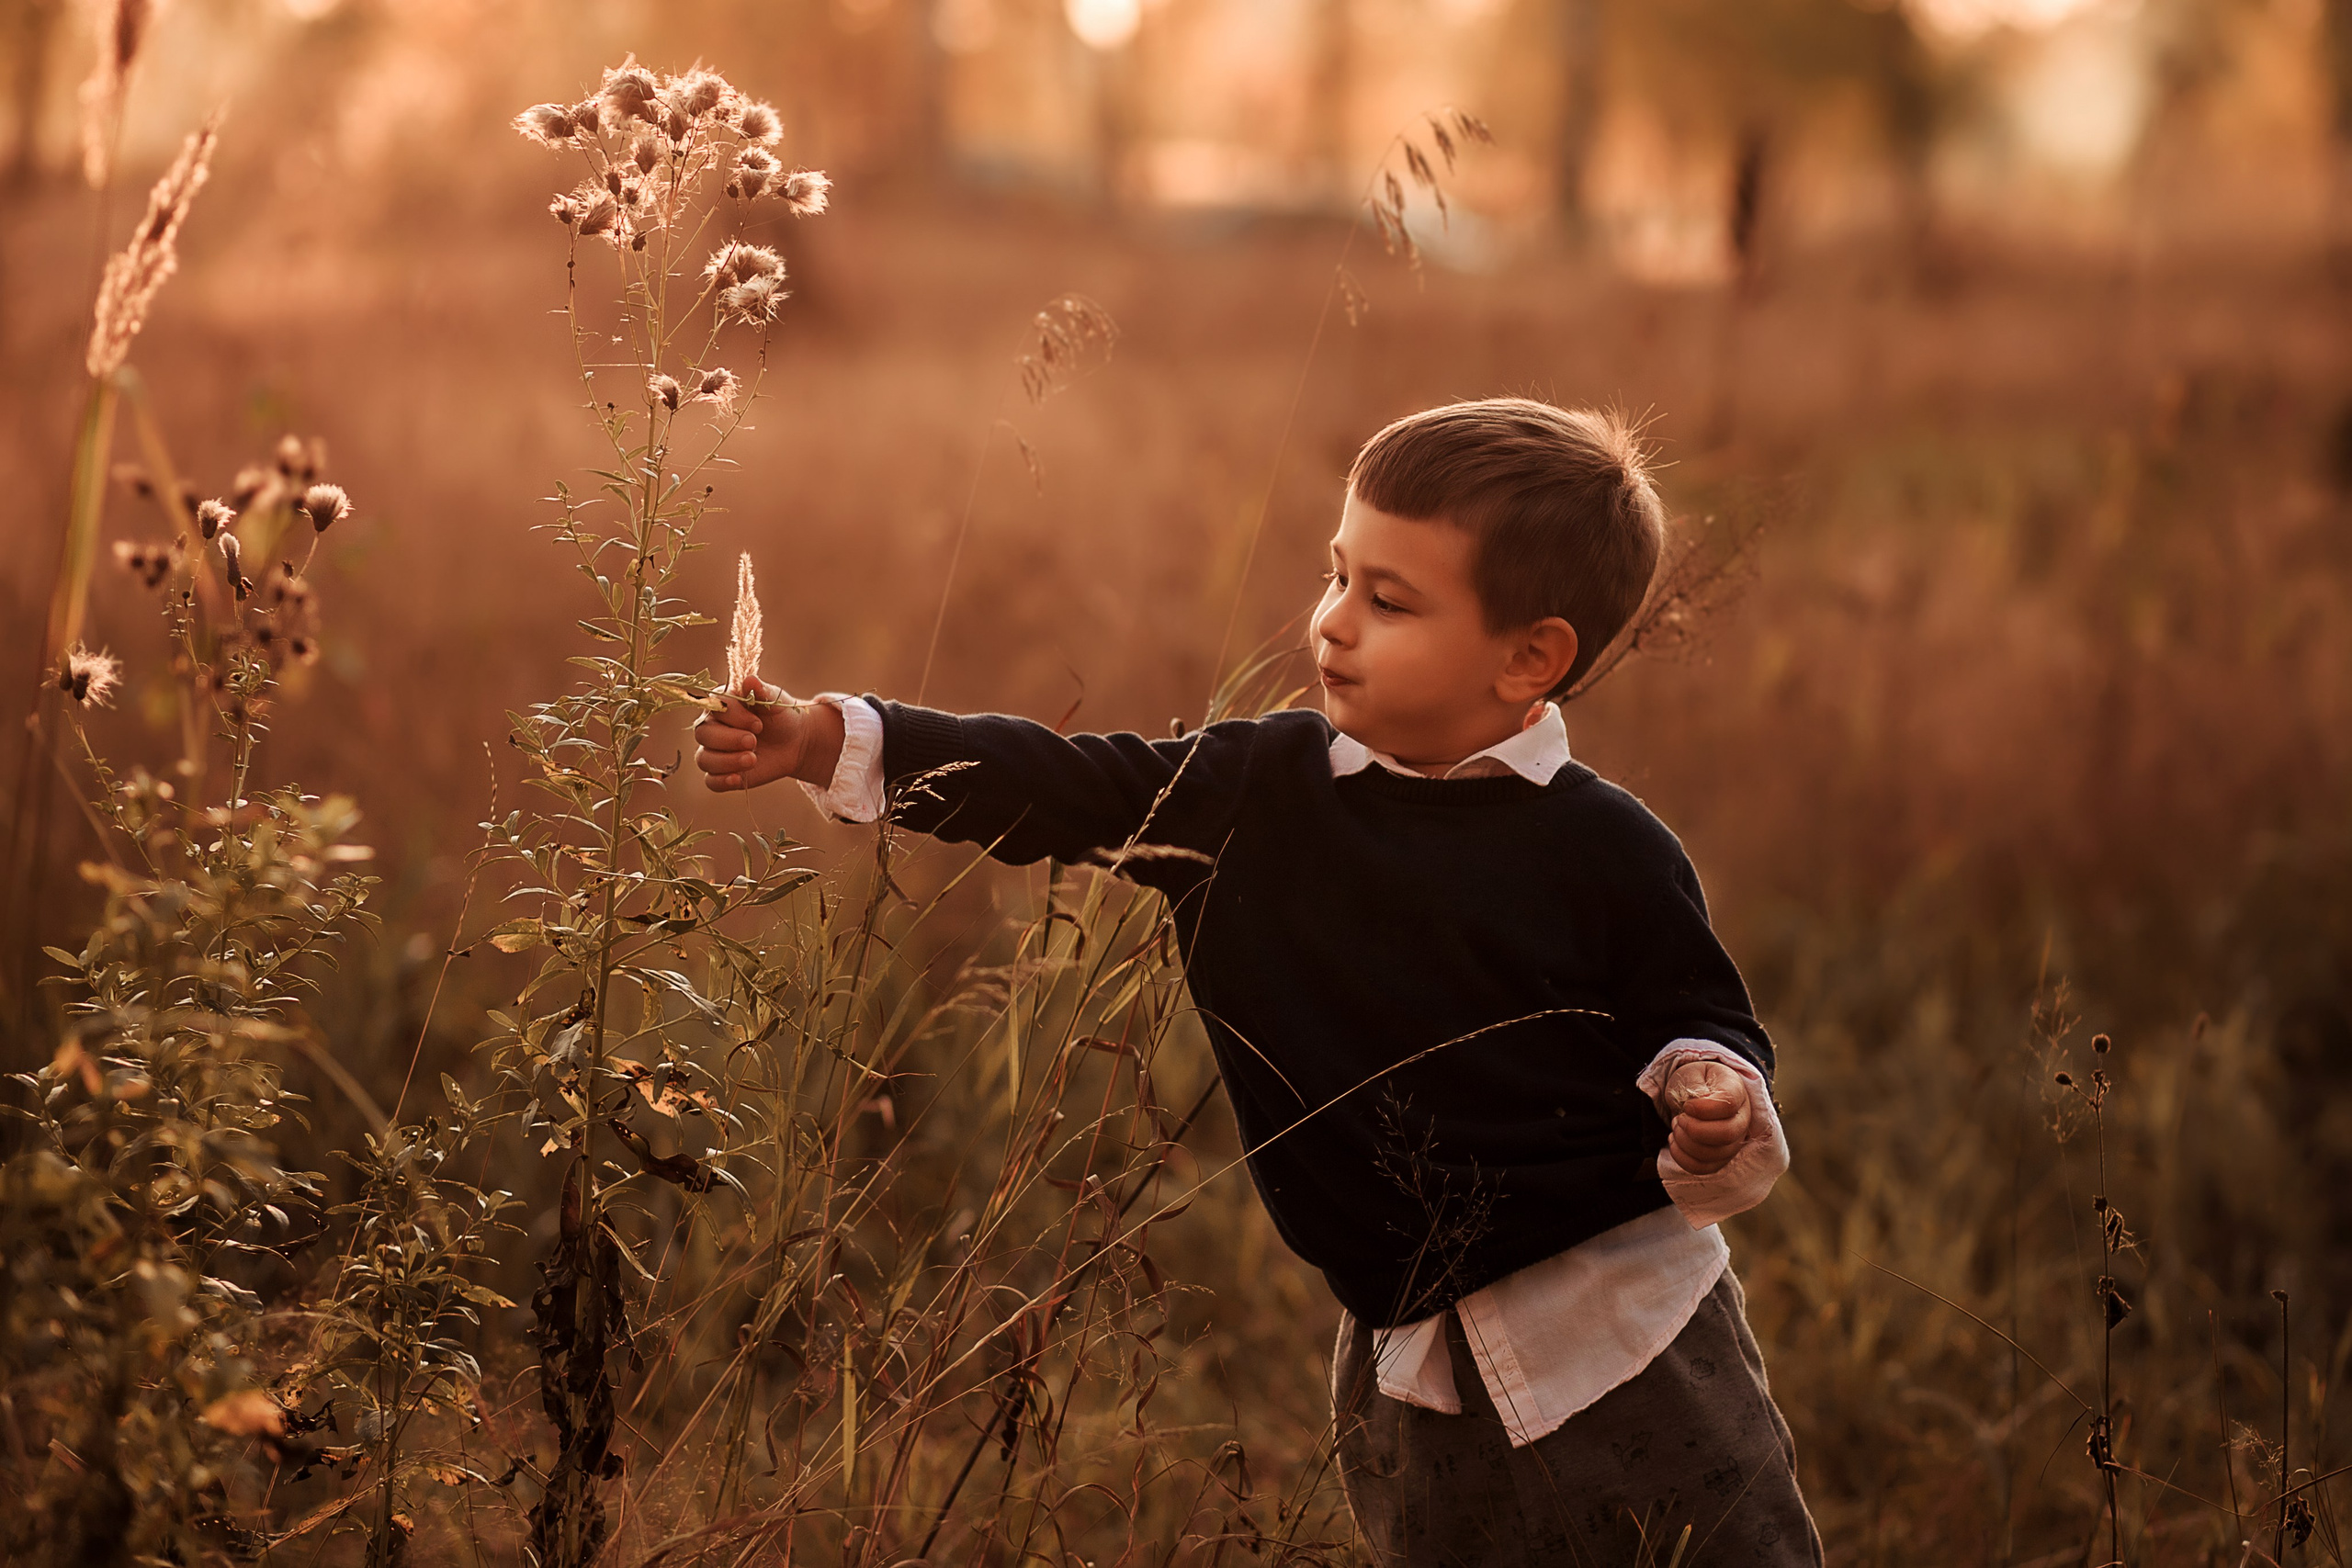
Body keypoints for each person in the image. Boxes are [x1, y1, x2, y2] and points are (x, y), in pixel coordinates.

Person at [693, 398, 1821, 1564]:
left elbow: (1695, 1015)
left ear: (1529, 657)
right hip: (1410, 1362)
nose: (1330, 623)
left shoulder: (1607, 848)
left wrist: (1708, 1095)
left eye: (1388, 601)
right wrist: (835, 738)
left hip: (1623, 1332)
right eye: (1337, 576)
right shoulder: (1260, 792)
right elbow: (1069, 785)